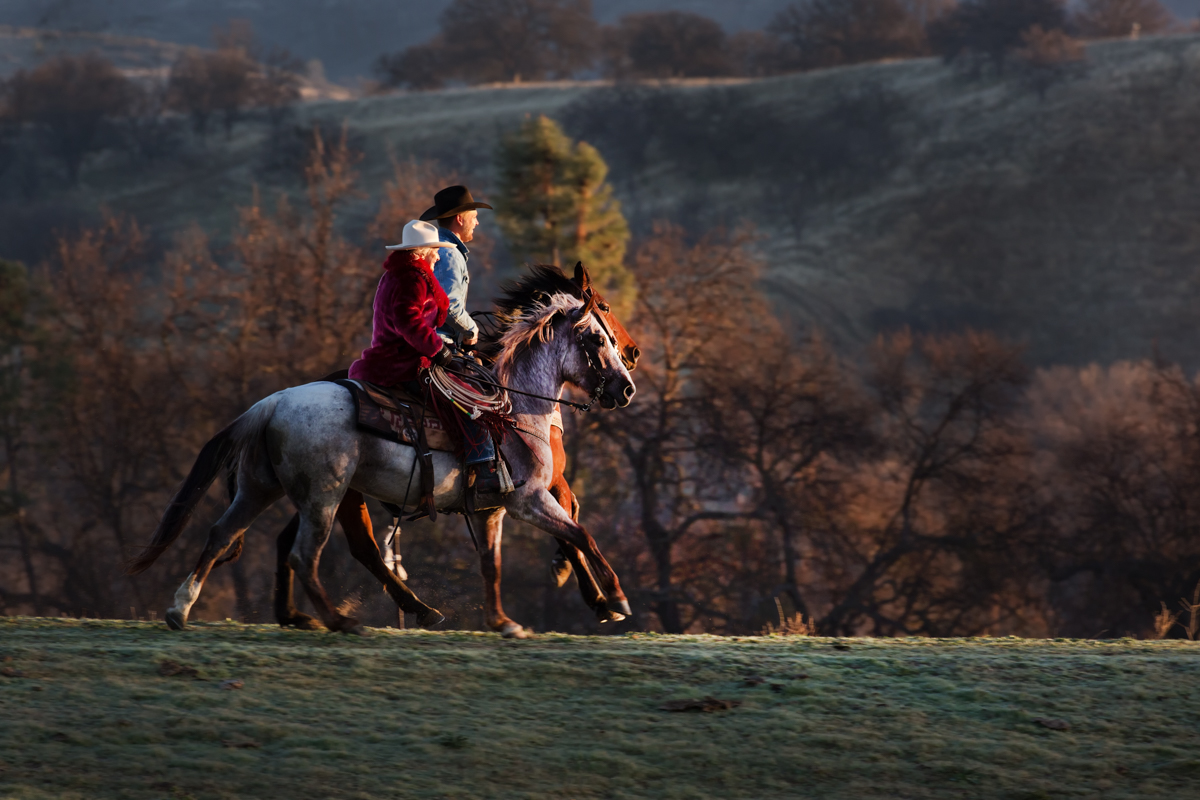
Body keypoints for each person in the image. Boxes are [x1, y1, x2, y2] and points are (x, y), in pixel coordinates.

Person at [348, 218, 509, 501]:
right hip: (405, 362)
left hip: (390, 356)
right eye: (434, 249)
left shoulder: (397, 274)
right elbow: (408, 321)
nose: (438, 254)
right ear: (421, 252)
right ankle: (483, 468)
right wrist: (439, 350)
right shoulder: (412, 277)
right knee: (472, 400)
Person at [419, 185, 493, 350]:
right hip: (439, 342)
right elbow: (448, 305)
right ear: (459, 219)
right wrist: (471, 330)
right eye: (473, 217)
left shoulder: (437, 248)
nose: (477, 222)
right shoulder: (449, 254)